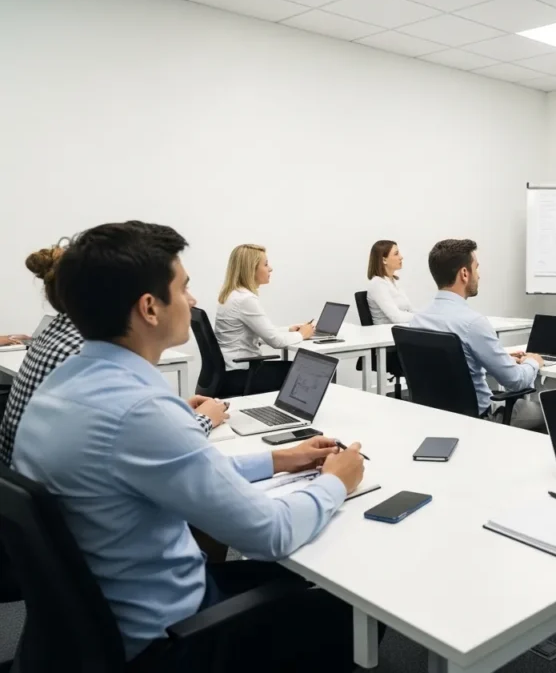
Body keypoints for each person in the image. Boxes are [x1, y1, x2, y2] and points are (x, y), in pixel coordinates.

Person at [12, 221, 368, 672]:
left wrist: (278, 459)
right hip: (172, 639)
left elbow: (178, 476)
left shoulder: (63, 387)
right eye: (183, 288)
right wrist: (337, 481)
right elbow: (270, 533)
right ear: (149, 308)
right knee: (354, 611)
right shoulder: (140, 410)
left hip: (95, 627)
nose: (194, 300)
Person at [1, 240, 228, 467]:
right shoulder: (89, 352)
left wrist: (172, 414)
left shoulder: (58, 332)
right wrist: (205, 418)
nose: (191, 300)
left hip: (25, 482)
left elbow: (120, 425)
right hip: (61, 491)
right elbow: (156, 448)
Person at [408, 239, 545, 430]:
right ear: (464, 273)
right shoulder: (473, 324)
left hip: (435, 418)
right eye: (476, 268)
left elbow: (454, 367)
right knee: (553, 411)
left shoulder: (418, 320)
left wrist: (501, 359)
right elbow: (515, 381)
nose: (478, 276)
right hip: (481, 419)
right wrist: (533, 362)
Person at [215, 244, 313, 397]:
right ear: (251, 269)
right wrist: (302, 335)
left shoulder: (232, 295)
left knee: (300, 369)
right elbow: (275, 341)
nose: (270, 269)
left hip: (228, 371)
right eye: (266, 264)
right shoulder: (245, 299)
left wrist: (288, 330)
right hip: (242, 374)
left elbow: (254, 332)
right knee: (314, 373)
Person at [366, 239, 415, 324]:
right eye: (396, 254)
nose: (401, 257)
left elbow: (409, 310)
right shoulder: (377, 284)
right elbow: (397, 318)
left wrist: (427, 315)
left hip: (401, 329)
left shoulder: (394, 281)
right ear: (384, 260)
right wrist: (422, 317)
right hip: (386, 334)